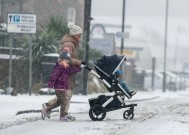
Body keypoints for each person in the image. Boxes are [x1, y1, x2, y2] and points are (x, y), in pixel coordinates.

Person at [41, 22, 84, 120]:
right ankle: (63, 115)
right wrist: (79, 62)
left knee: (64, 97)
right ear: (74, 35)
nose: (80, 37)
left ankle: (48, 107)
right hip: (65, 75)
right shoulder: (69, 45)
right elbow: (65, 58)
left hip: (67, 74)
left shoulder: (72, 44)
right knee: (66, 96)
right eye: (79, 35)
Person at [43, 51, 82, 121]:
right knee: (64, 102)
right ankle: (62, 116)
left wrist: (79, 66)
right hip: (59, 88)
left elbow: (73, 70)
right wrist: (50, 85)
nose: (67, 61)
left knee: (59, 102)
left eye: (68, 60)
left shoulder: (66, 67)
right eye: (66, 60)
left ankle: (47, 109)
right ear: (61, 59)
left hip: (63, 88)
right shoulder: (58, 67)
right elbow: (53, 76)